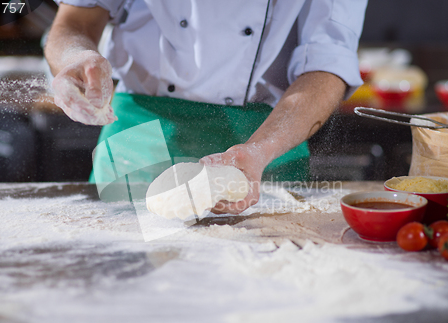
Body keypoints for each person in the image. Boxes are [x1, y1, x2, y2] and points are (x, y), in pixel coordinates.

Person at [44, 0, 368, 214]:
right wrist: (76, 58)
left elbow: (327, 64)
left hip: (265, 141)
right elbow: (75, 22)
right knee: (123, 285)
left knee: (267, 289)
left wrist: (262, 148)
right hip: (140, 136)